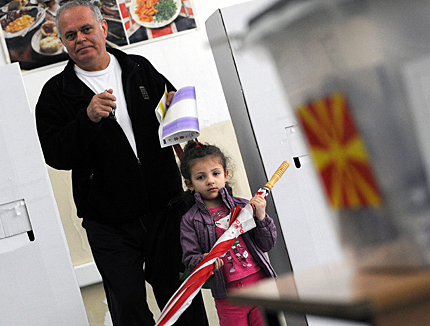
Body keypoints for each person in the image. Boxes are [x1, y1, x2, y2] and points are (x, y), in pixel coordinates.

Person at [34, 1, 208, 325]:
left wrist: (190, 142)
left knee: (182, 300)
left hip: (166, 211)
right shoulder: (55, 93)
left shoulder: (139, 68)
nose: (80, 39)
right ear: (62, 43)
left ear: (103, 28)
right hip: (108, 223)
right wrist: (86, 119)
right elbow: (55, 155)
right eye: (70, 35)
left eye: (86, 29)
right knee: (128, 308)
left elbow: (172, 110)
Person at [178, 141, 277, 326]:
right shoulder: (189, 220)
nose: (210, 180)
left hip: (261, 287)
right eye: (201, 177)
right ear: (189, 184)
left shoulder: (243, 207)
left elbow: (266, 244)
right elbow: (190, 259)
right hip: (228, 296)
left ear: (225, 175)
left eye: (215, 173)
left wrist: (261, 217)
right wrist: (204, 261)